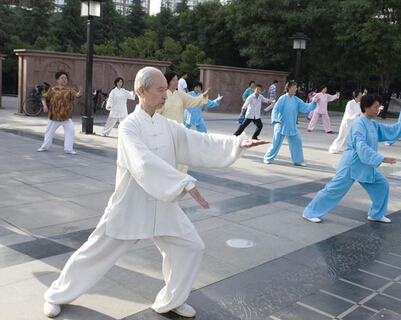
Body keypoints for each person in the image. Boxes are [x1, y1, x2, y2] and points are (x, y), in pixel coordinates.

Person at [42, 67, 269, 319]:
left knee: (191, 247)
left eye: (166, 90)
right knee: (95, 252)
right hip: (131, 204)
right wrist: (182, 182)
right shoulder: (129, 127)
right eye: (160, 90)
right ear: (141, 91)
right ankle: (55, 295)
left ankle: (171, 300)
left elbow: (198, 141)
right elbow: (143, 162)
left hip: (163, 204)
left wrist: (237, 143)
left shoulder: (168, 126)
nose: (165, 95)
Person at [302, 94, 401, 224]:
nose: (378, 109)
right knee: (334, 189)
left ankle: (376, 214)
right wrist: (380, 158)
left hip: (365, 163)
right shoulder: (359, 124)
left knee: (382, 184)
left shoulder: (372, 124)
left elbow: (390, 130)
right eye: (375, 107)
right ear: (366, 108)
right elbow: (360, 145)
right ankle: (310, 212)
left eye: (378, 107)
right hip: (352, 164)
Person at [157, 72, 210, 173]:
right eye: (173, 80)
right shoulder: (162, 95)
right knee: (165, 154)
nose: (176, 82)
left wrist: (203, 96)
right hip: (164, 130)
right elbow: (156, 112)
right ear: (167, 81)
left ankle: (179, 175)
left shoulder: (181, 95)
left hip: (178, 130)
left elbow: (194, 101)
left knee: (180, 155)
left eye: (177, 80)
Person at [263, 80, 317, 166]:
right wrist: (275, 119)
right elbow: (275, 109)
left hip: (291, 126)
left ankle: (298, 160)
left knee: (297, 141)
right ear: (288, 88)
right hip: (281, 125)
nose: (296, 89)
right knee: (276, 143)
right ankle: (267, 158)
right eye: (294, 87)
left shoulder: (296, 100)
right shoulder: (282, 99)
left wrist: (313, 103)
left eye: (296, 87)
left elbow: (305, 107)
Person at [37, 71, 81, 155]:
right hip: (54, 115)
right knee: (49, 132)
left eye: (65, 78)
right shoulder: (53, 90)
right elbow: (44, 97)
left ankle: (68, 149)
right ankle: (44, 147)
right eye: (62, 78)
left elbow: (76, 96)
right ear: (57, 80)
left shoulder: (69, 90)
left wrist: (79, 92)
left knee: (71, 131)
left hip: (66, 116)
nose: (64, 80)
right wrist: (45, 106)